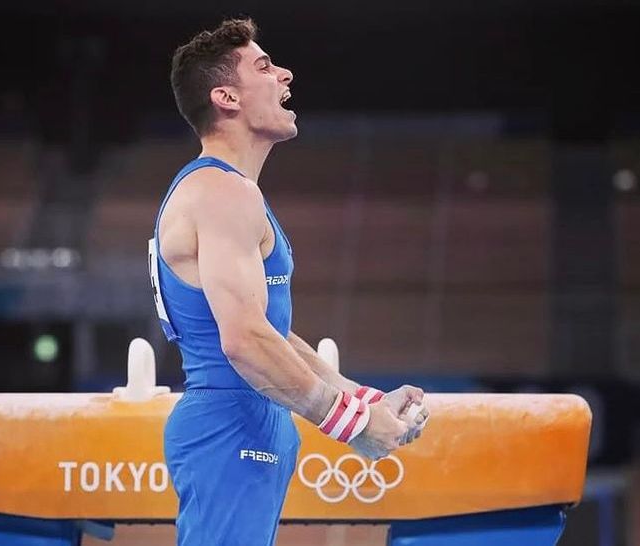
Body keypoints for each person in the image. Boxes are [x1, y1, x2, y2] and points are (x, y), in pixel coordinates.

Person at [148, 18, 429, 546]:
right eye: (264, 66)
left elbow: (268, 332)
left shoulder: (231, 193)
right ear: (226, 97)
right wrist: (351, 425)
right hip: (231, 423)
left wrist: (361, 399)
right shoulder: (221, 193)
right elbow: (244, 341)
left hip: (250, 419)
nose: (285, 74)